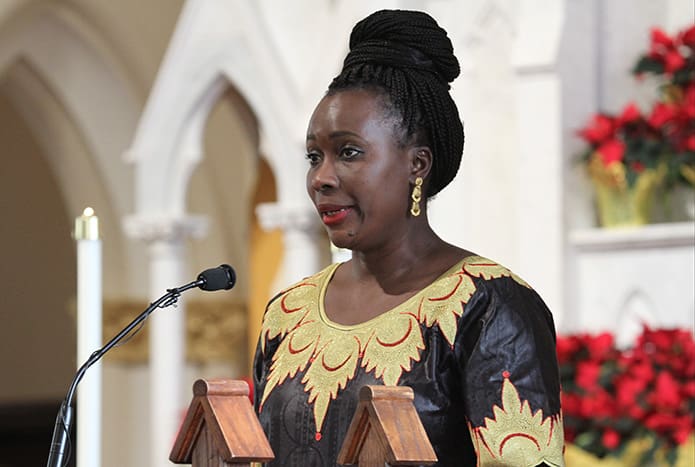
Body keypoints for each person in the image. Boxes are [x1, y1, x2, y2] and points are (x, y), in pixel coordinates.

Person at [253, 9, 565, 467]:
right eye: (313, 156)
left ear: (417, 164)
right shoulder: (288, 314)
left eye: (349, 153)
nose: (321, 177)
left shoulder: (489, 306)